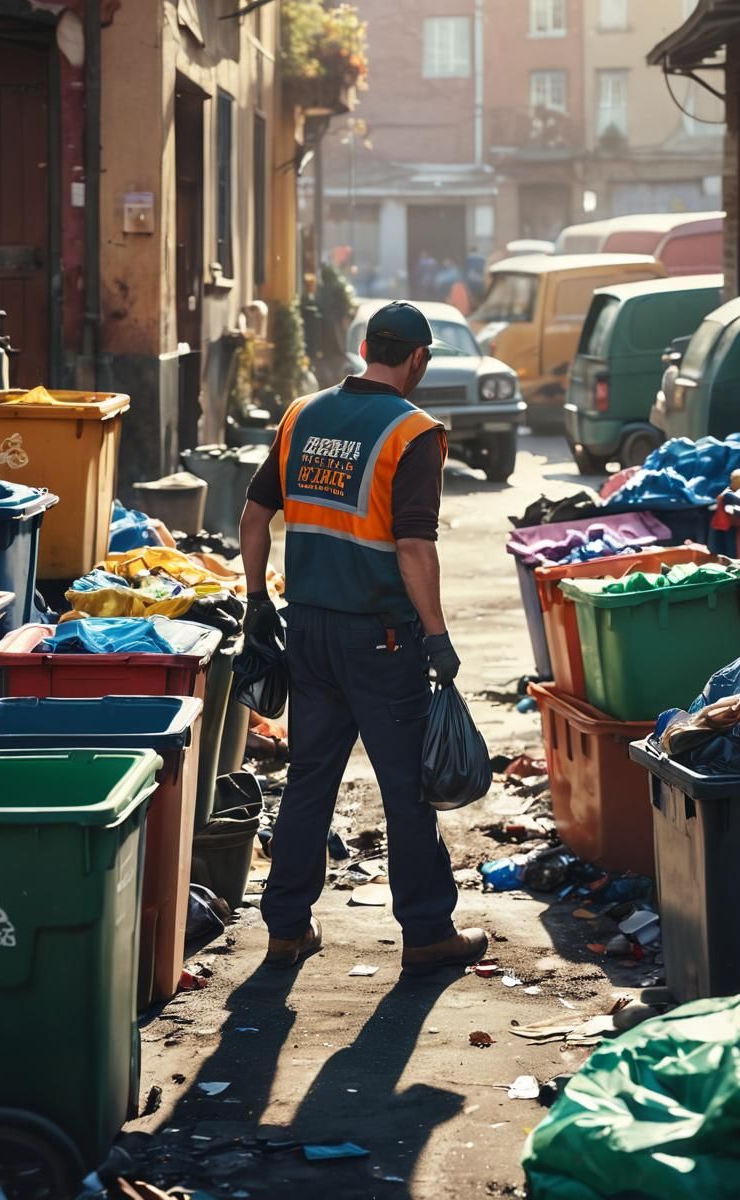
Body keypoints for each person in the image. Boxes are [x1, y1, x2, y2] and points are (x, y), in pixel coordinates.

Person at [239, 301, 488, 975]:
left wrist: (258, 602)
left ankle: (287, 927)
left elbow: (255, 515)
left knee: (310, 779)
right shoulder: (413, 433)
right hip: (379, 639)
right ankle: (428, 932)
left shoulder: (302, 414)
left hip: (308, 632)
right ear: (417, 359)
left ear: (366, 347)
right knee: (406, 788)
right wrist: (436, 638)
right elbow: (413, 548)